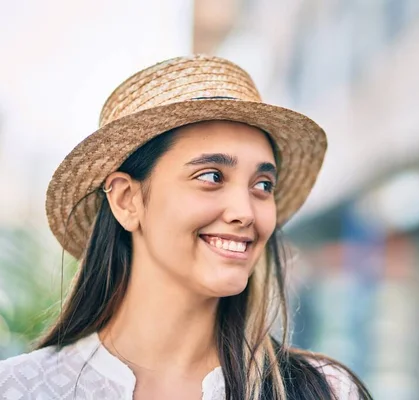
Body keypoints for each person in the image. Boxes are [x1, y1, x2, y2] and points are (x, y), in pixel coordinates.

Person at [0, 55, 372, 399]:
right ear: (126, 200)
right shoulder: (20, 388)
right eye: (211, 176)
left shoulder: (326, 390)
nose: (245, 212)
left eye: (262, 185)